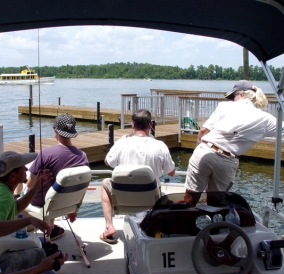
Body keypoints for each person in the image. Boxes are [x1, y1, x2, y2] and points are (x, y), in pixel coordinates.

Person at [183, 80, 283, 206]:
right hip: (228, 159)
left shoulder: (224, 106)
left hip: (205, 151)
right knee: (215, 204)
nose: (232, 100)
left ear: (241, 94)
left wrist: (198, 148)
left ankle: (185, 223)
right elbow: (281, 129)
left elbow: (203, 130)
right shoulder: (266, 119)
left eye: (233, 96)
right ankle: (212, 224)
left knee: (190, 199)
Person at [0, 153, 68, 274]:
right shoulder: (3, 198)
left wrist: (29, 221)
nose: (27, 170)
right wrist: (39, 269)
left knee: (38, 254)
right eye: (23, 167)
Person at [99, 109, 175, 243]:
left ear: (132, 125)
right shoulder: (160, 146)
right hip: (150, 200)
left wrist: (118, 142)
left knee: (105, 183)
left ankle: (109, 226)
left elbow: (107, 162)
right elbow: (171, 172)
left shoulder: (122, 143)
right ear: (150, 125)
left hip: (124, 198)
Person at [27, 113, 89, 241]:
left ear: (55, 130)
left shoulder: (46, 154)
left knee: (25, 183)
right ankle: (51, 226)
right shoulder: (82, 156)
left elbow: (29, 184)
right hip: (65, 203)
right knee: (54, 188)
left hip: (40, 203)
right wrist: (73, 209)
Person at [0, 151, 52, 221]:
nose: (26, 169)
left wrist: (35, 188)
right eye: (23, 167)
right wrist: (28, 221)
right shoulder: (5, 198)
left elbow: (14, 208)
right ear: (13, 176)